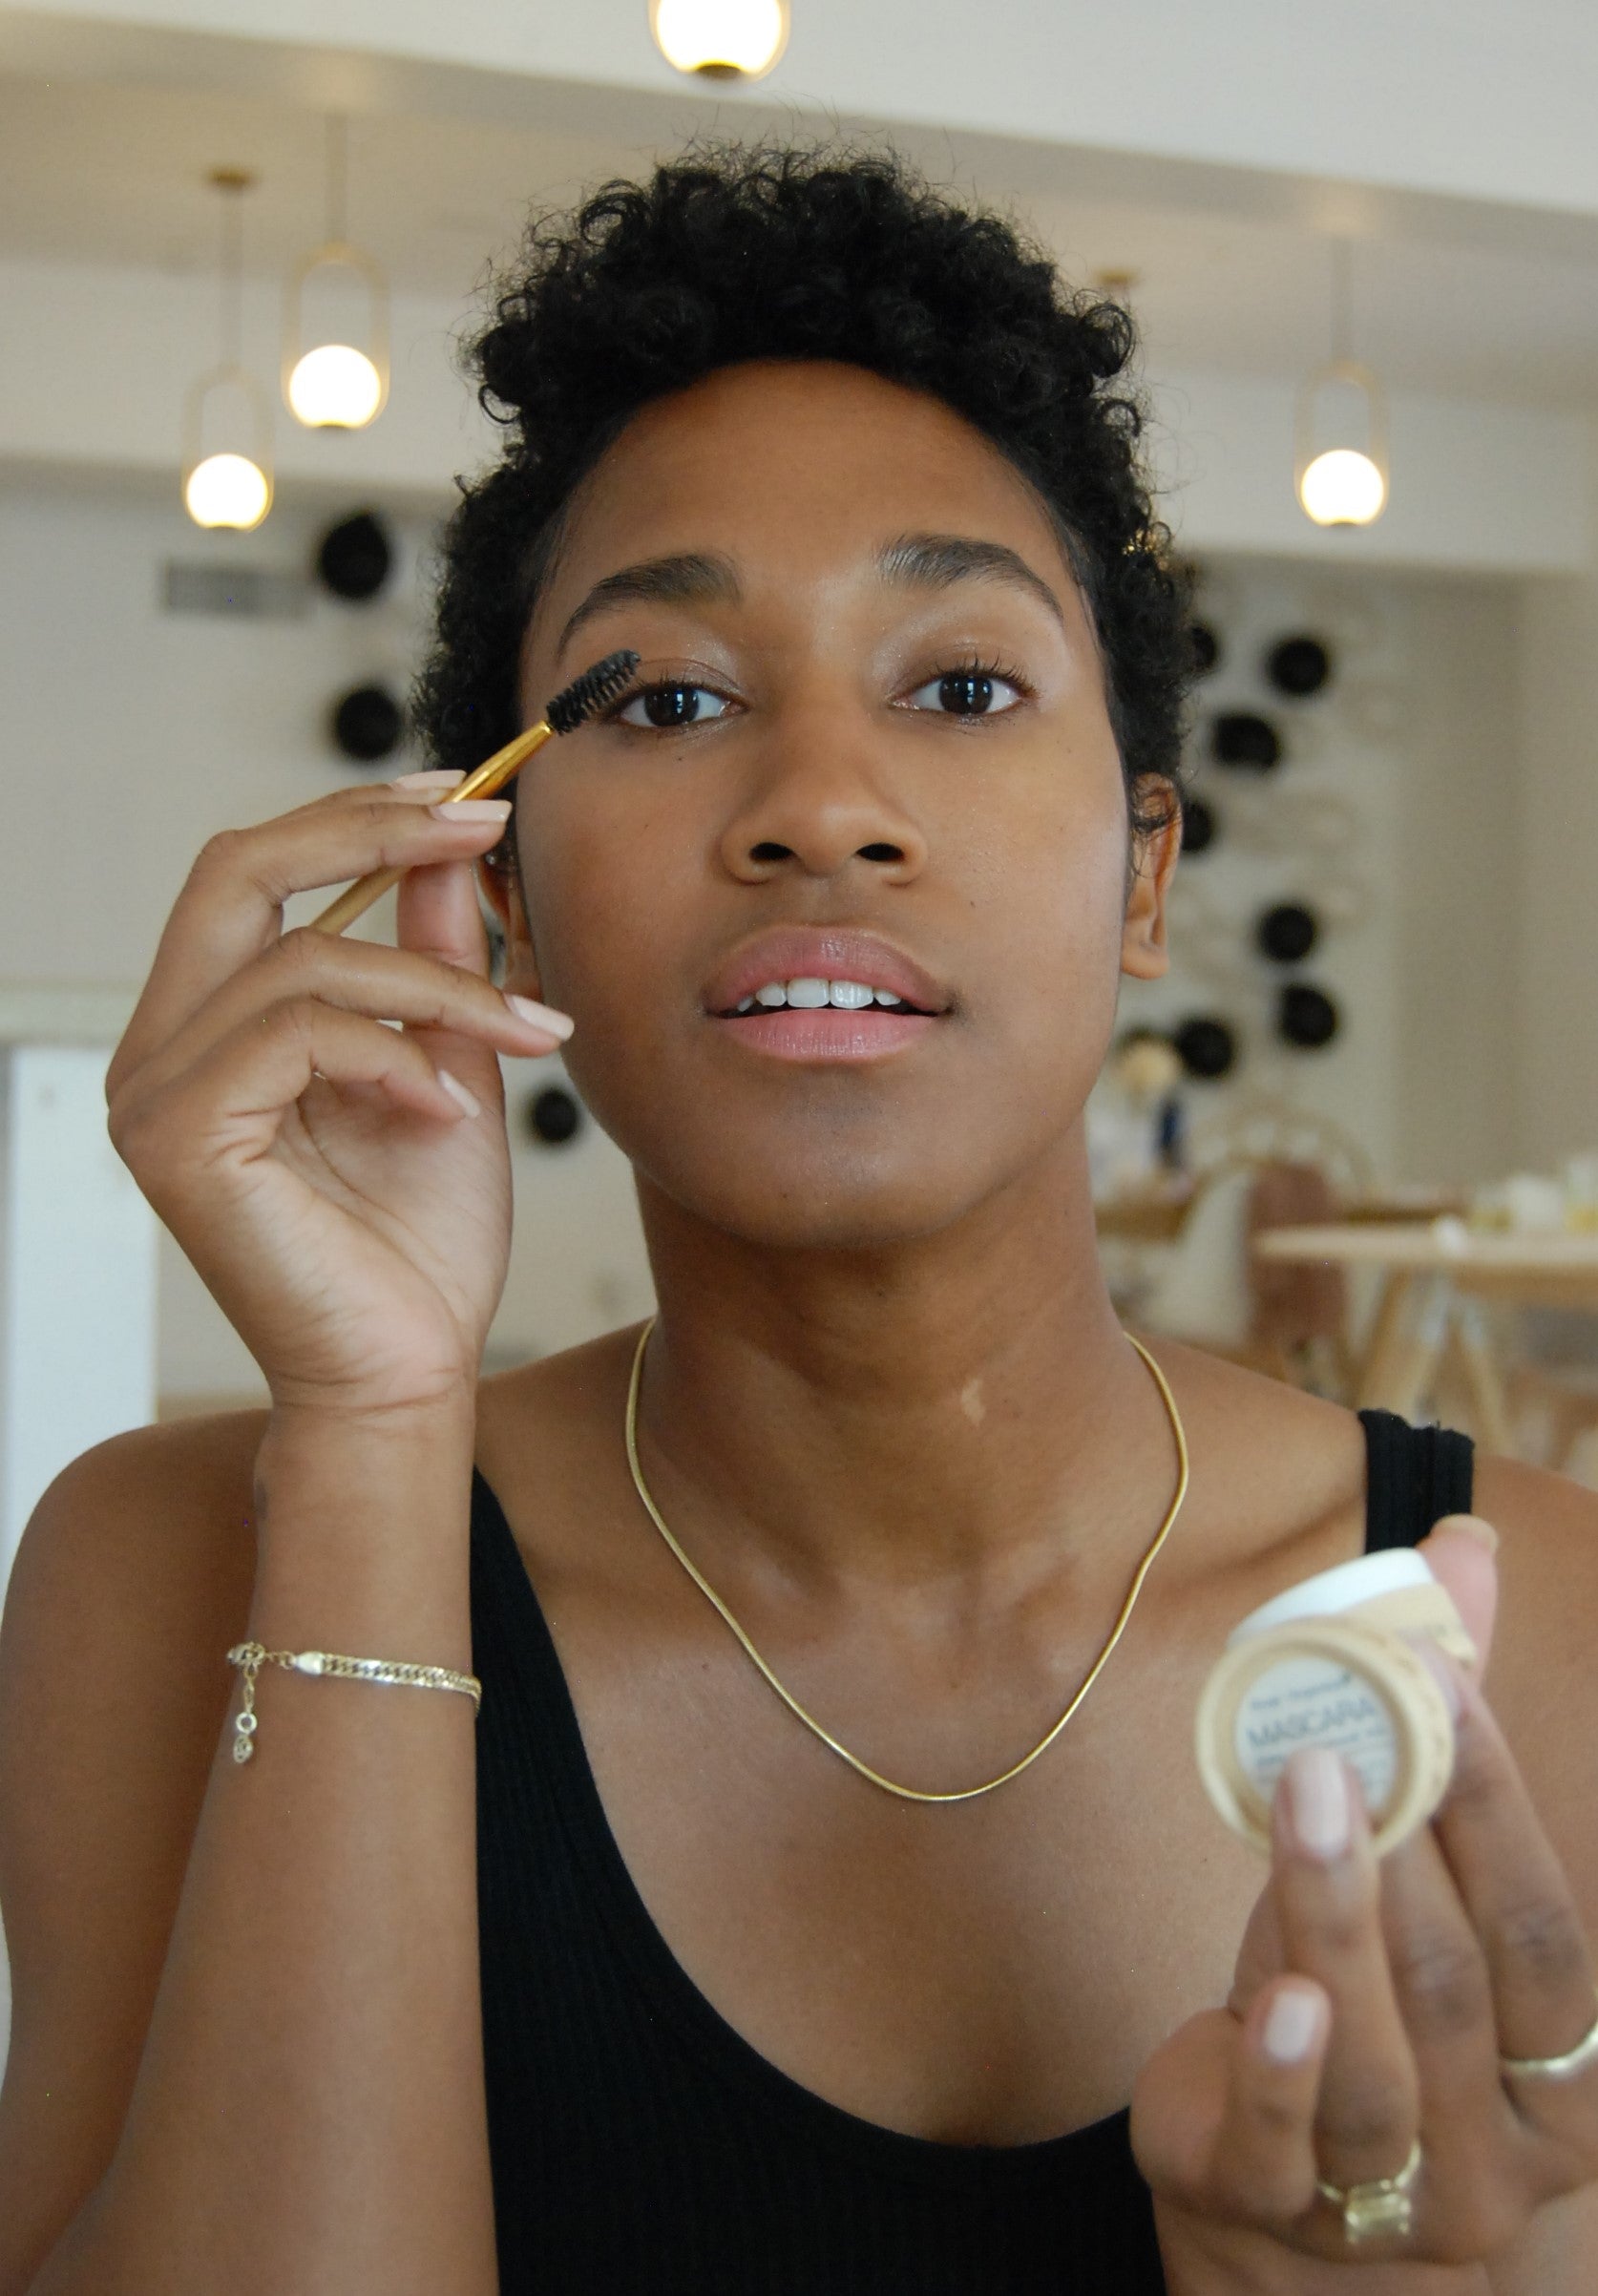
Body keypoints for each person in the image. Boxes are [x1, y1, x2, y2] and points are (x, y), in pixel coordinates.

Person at [1, 146, 1595, 2295]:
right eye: (664, 696)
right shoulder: (160, 1570)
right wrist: (374, 1434)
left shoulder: (1546, 1635)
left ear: (1142, 877)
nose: (819, 802)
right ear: (506, 878)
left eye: (957, 685)